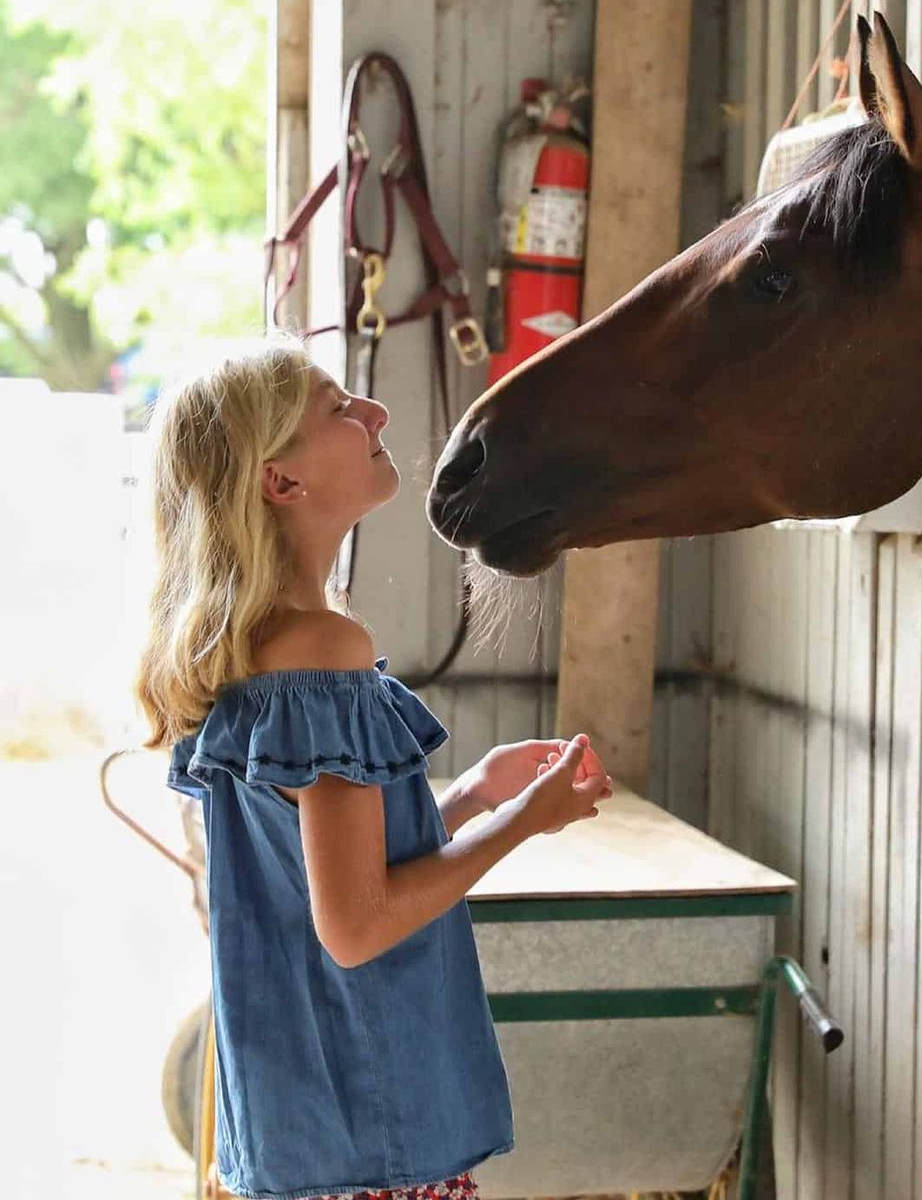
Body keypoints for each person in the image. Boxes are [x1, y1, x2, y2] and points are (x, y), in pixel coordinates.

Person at [133, 329, 614, 1200]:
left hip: (303, 1131)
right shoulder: (323, 651)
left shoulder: (254, 651)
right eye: (338, 408)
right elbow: (356, 925)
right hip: (370, 1135)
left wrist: (466, 797)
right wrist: (526, 822)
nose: (376, 411)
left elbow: (316, 871)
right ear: (282, 482)